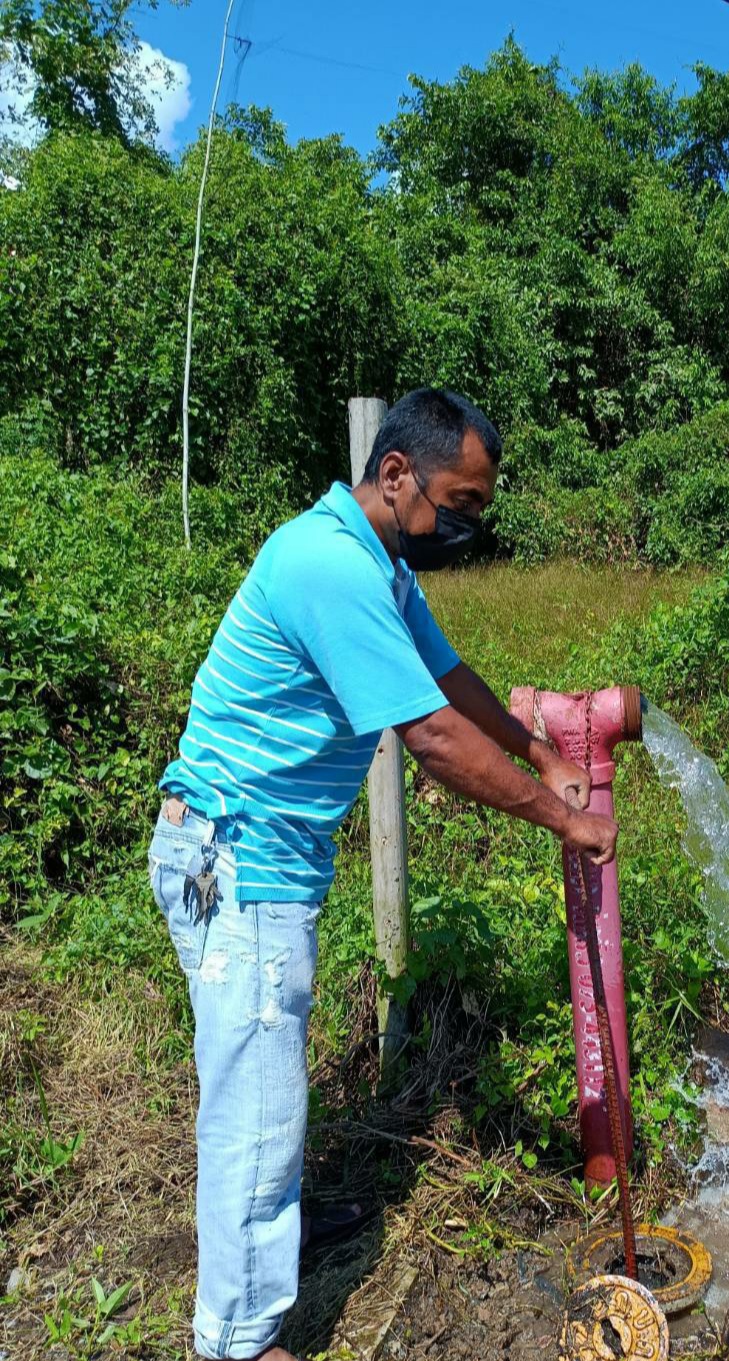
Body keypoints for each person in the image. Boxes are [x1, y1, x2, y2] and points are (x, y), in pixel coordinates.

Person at [147, 388, 618, 1361]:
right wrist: (563, 816)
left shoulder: (382, 569)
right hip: (233, 856)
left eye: (478, 509)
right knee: (255, 1098)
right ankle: (236, 1338)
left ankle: (265, 1232)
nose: (465, 525)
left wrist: (541, 753)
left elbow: (451, 682)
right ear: (396, 473)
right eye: (461, 501)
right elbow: (433, 735)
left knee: (265, 1076)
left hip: (263, 852)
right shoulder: (326, 563)